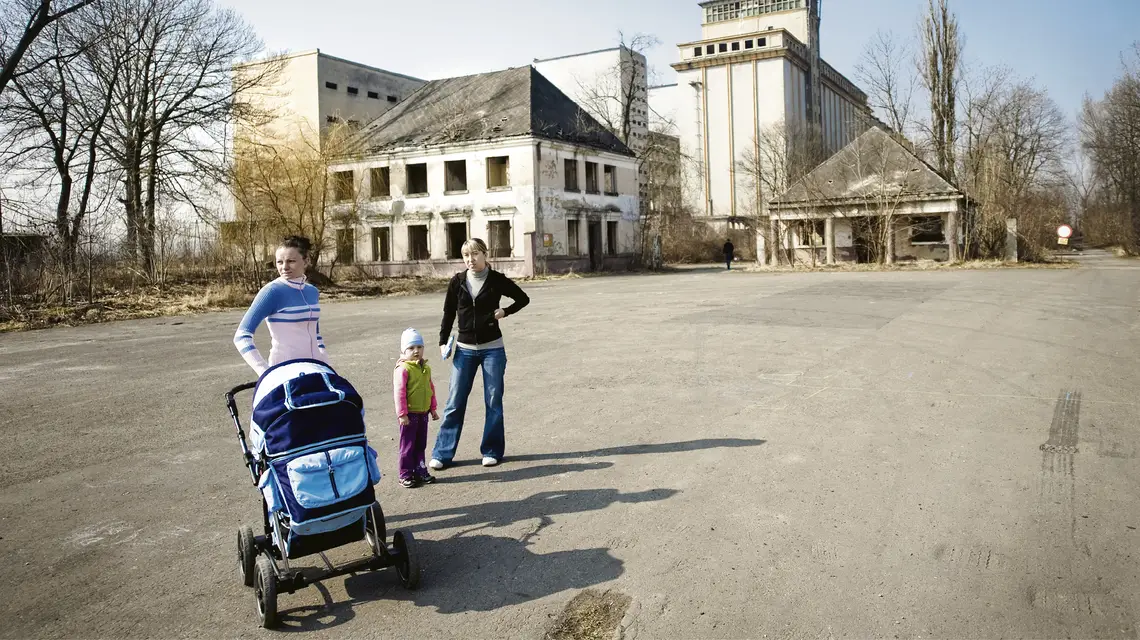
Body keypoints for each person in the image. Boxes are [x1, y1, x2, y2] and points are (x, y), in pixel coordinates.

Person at [429, 238, 530, 470]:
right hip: (464, 350)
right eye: (466, 255)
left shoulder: (496, 280)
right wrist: (443, 341)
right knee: (454, 402)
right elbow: (448, 313)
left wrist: (505, 311)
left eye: (474, 254)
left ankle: (492, 450)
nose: (470, 259)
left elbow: (523, 298)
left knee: (493, 401)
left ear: (485, 255)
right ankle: (442, 454)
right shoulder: (458, 281)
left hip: (493, 349)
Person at [233, 235, 328, 377]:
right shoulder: (272, 291)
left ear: (306, 261)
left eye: (291, 261)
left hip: (317, 370)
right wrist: (265, 372)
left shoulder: (312, 291)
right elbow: (241, 336)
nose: (284, 267)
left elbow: (315, 333)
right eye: (279, 262)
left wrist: (323, 357)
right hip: (284, 372)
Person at [392, 328, 439, 488]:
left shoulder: (425, 368)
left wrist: (432, 408)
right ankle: (405, 473)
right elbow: (399, 393)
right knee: (408, 445)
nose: (416, 351)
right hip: (409, 415)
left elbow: (430, 388)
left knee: (421, 444)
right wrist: (402, 414)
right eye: (411, 348)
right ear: (403, 350)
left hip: (423, 412)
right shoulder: (403, 369)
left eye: (419, 347)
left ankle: (420, 470)